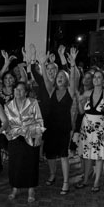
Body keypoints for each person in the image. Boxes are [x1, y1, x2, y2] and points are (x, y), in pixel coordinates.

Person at [43, 48, 79, 195]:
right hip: (50, 127)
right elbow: (46, 78)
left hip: (64, 127)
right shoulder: (51, 91)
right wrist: (43, 62)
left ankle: (65, 182)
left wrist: (71, 64)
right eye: (58, 76)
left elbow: (73, 79)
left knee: (63, 155)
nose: (59, 78)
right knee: (50, 154)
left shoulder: (70, 92)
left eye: (63, 77)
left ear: (66, 80)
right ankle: (52, 174)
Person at [4, 82, 44, 202]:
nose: (18, 92)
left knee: (31, 163)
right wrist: (6, 133)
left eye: (21, 90)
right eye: (16, 89)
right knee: (15, 164)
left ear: (26, 92)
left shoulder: (33, 102)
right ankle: (15, 188)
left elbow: (39, 119)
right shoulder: (8, 105)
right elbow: (5, 122)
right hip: (15, 137)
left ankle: (31, 189)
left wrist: (38, 135)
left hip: (30, 136)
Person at [75, 69, 104, 192]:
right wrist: (79, 102)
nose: (96, 79)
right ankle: (86, 179)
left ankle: (96, 181)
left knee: (99, 156)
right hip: (86, 129)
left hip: (100, 129)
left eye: (99, 77)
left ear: (103, 80)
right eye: (94, 77)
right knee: (87, 156)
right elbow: (81, 112)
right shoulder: (87, 93)